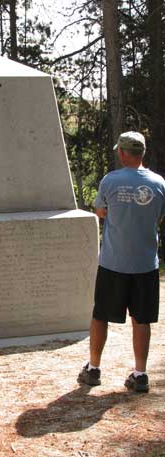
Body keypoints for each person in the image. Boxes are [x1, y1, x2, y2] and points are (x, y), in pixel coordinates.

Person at [78, 131, 165, 393]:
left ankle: (93, 369)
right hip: (145, 264)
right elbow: (158, 216)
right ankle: (140, 374)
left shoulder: (110, 181)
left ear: (123, 153)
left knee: (100, 315)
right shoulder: (159, 183)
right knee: (142, 319)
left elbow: (101, 212)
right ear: (143, 153)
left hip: (114, 263)